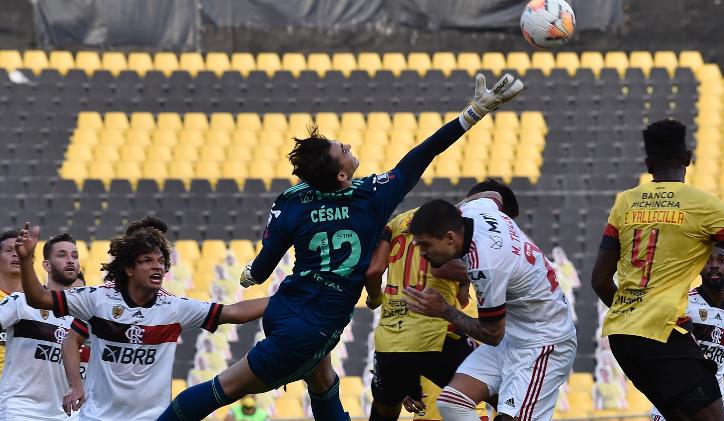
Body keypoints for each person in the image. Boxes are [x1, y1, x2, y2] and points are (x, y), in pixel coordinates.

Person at [158, 72, 524, 421]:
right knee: (225, 387)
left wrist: (252, 273)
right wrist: (472, 114)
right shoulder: (372, 197)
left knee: (325, 385)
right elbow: (423, 154)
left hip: (293, 307)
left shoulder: (292, 200)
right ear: (342, 176)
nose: (350, 148)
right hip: (311, 325)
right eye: (344, 150)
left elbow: (264, 267)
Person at [14, 217, 270, 421]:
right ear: (128, 268)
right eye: (147, 260)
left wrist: (290, 296)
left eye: (160, 261)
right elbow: (40, 302)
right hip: (98, 416)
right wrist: (26, 260)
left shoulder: (173, 307)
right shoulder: (98, 301)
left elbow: (233, 312)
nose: (157, 266)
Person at [591, 119, 724, 421]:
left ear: (648, 164)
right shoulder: (705, 206)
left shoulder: (625, 203)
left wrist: (634, 313)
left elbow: (599, 280)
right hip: (663, 334)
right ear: (688, 159)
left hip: (622, 337)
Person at [403, 196, 576, 421]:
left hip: (543, 342)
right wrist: (441, 214)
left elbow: (492, 334)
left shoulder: (486, 263)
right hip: (515, 335)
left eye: (426, 245)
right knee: (453, 403)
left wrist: (444, 310)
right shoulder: (474, 209)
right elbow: (493, 196)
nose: (422, 254)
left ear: (449, 237)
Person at [366, 179, 519, 421]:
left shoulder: (397, 222)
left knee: (384, 410)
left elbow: (373, 271)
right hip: (435, 336)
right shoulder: (458, 231)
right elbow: (442, 270)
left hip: (391, 340)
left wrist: (376, 299)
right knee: (511, 400)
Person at [651, 246, 724, 420]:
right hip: (676, 401)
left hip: (715, 404)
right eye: (708, 260)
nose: (714, 265)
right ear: (699, 267)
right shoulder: (683, 305)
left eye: (722, 260)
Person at [0, 232, 86, 420]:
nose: (70, 260)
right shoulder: (20, 302)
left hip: (65, 413)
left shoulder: (85, 313)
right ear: (46, 265)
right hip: (21, 410)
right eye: (62, 255)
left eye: (75, 255)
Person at [0, 230, 23, 379]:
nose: (16, 254)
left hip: (24, 394)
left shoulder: (40, 301)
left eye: (20, 250)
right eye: (9, 250)